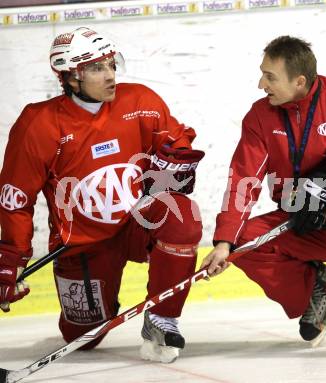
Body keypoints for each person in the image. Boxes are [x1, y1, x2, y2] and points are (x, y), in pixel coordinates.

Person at [0, 27, 205, 363]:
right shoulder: (39, 124)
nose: (111, 75)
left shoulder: (140, 102)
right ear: (70, 77)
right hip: (83, 244)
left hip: (135, 224)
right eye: (97, 68)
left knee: (182, 215)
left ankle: (162, 317)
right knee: (84, 337)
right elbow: (15, 199)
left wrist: (176, 160)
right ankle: (99, 307)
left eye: (112, 64)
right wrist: (11, 258)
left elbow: (177, 140)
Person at [201, 36, 326, 355]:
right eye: (262, 73)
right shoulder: (260, 117)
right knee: (245, 243)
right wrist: (225, 241)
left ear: (299, 81)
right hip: (304, 220)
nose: (260, 84)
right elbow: (244, 179)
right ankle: (317, 288)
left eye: (270, 77)